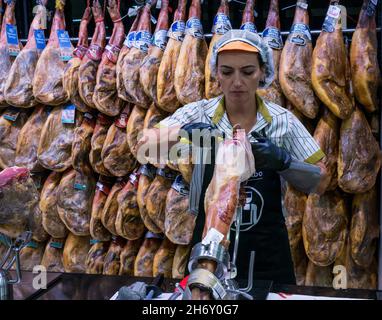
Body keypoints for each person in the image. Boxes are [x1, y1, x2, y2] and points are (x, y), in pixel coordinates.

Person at [138, 30, 329, 285]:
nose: (237, 82)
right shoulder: (199, 113)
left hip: (268, 254)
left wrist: (284, 161)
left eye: (247, 72)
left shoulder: (283, 121)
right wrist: (182, 131)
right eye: (227, 72)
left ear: (262, 72)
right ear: (216, 73)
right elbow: (144, 148)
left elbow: (322, 181)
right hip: (208, 250)